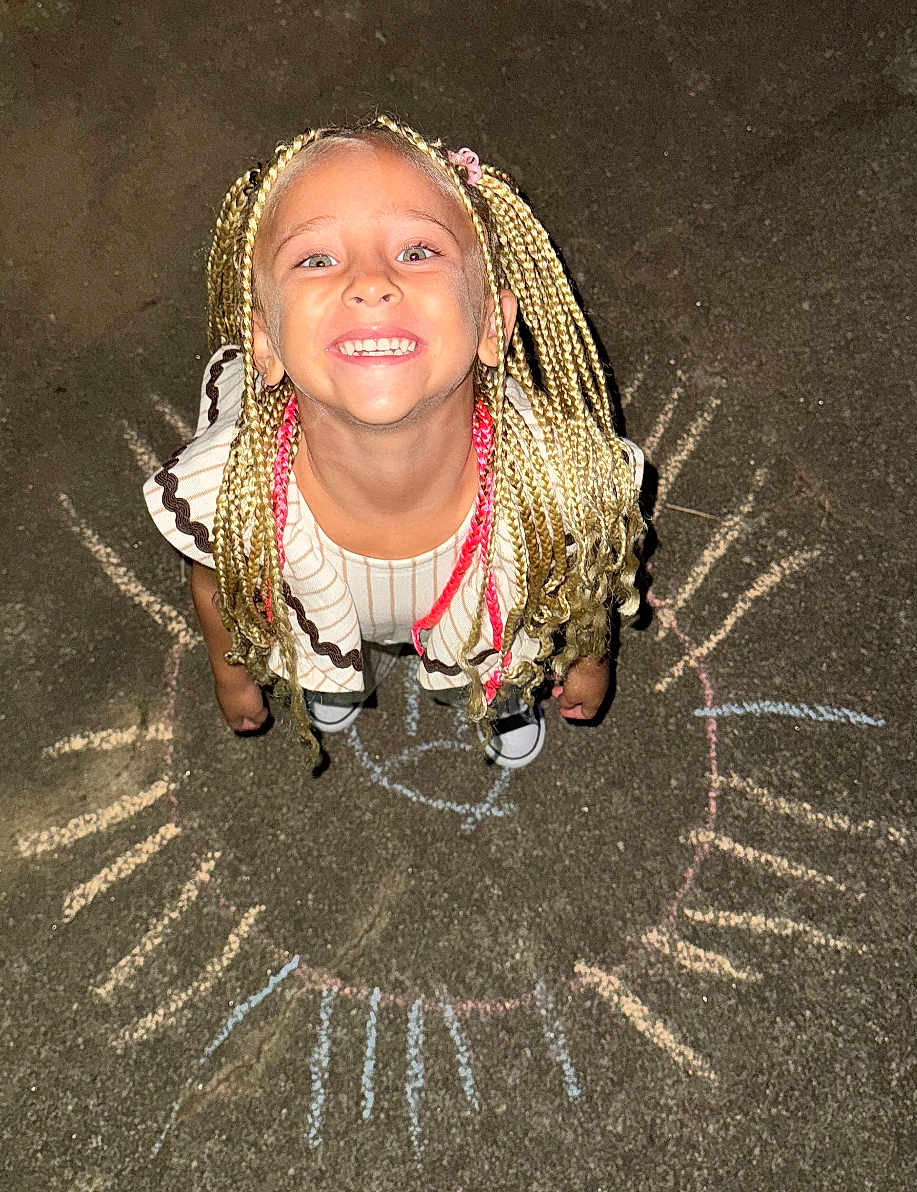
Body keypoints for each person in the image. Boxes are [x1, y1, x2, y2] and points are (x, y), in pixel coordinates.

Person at [143, 115, 644, 768]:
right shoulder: (232, 494)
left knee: (507, 646)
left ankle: (501, 695)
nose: (371, 281)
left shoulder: (554, 480)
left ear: (492, 321)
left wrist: (586, 655)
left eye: (417, 251)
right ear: (264, 345)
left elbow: (583, 577)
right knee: (309, 649)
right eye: (316, 259)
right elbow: (215, 584)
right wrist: (232, 673)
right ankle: (326, 669)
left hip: (493, 596)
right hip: (315, 598)